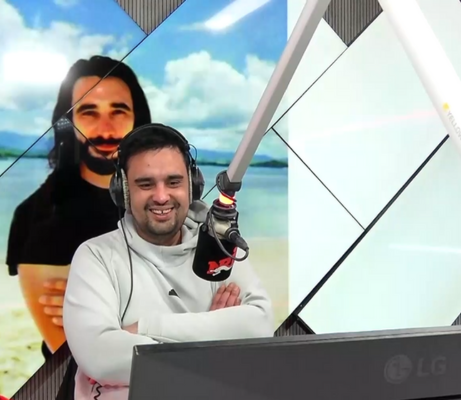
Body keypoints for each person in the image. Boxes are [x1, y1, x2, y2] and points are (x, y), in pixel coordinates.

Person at [62, 123, 274, 399]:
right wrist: (217, 340)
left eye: (173, 182)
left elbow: (260, 329)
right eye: (145, 184)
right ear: (123, 191)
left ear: (192, 185)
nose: (161, 197)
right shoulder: (96, 256)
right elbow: (100, 357)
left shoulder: (218, 245)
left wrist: (146, 329)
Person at [6, 55, 152, 359]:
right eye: (88, 112)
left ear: (137, 120)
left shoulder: (169, 203)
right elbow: (82, 358)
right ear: (68, 123)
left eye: (118, 111)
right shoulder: (38, 217)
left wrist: (102, 304)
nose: (106, 129)